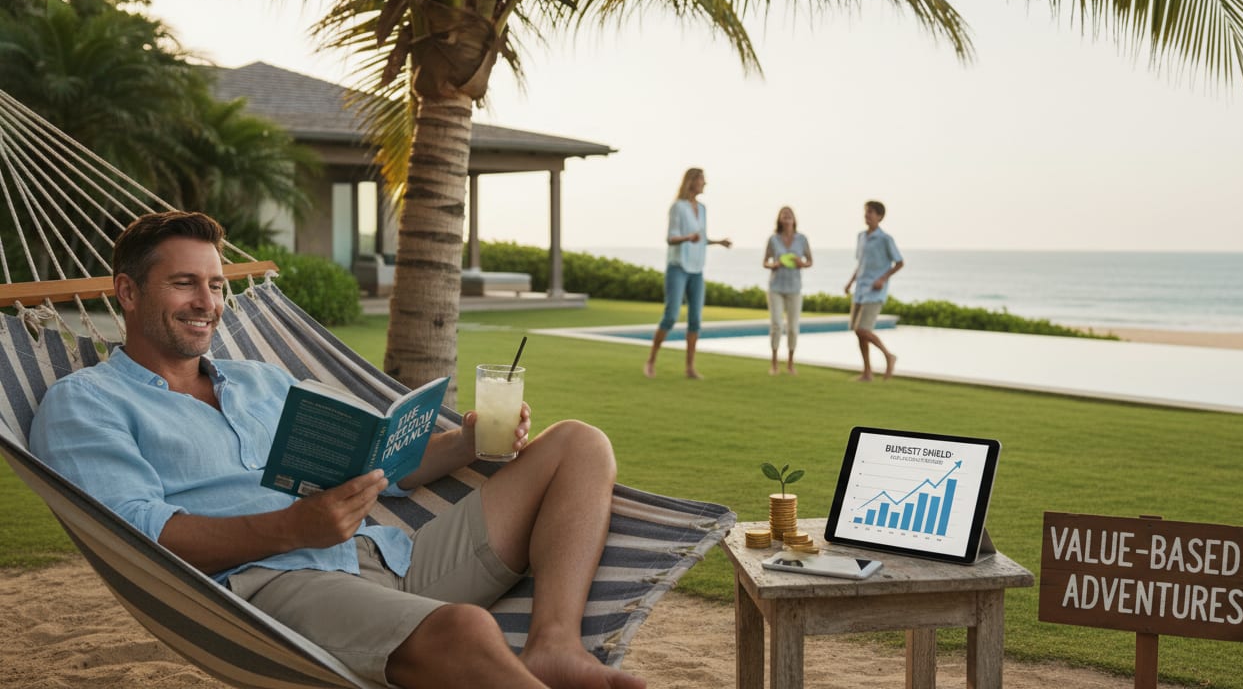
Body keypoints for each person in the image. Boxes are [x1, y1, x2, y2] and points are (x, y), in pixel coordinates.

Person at [30, 211, 644, 689]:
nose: (207, 302)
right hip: (267, 588)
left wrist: (464, 443)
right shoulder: (87, 403)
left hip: (381, 559)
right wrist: (291, 527)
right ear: (128, 293)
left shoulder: (258, 379)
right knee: (463, 630)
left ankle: (554, 644)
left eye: (217, 285)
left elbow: (375, 463)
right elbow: (140, 533)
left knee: (577, 444)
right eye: (184, 283)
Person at [643, 167, 731, 380]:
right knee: (671, 315)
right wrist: (687, 238)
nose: (705, 184)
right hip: (678, 267)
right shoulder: (677, 207)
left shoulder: (702, 209)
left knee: (695, 320)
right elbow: (671, 237)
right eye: (702, 180)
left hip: (697, 269)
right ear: (691, 182)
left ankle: (690, 368)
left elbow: (701, 237)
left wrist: (718, 242)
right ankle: (651, 360)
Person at [843, 200, 904, 381]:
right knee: (857, 331)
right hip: (860, 289)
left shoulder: (886, 239)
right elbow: (860, 264)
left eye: (870, 212)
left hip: (875, 291)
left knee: (862, 329)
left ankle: (888, 355)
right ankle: (867, 372)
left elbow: (899, 262)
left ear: (879, 216)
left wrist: (882, 278)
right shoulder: (861, 237)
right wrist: (850, 283)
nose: (867, 215)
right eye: (866, 212)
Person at [762, 206, 812, 375]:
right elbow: (765, 262)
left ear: (794, 219)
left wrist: (801, 264)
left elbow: (809, 261)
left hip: (794, 288)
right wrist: (774, 264)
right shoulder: (773, 240)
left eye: (789, 214)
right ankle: (774, 363)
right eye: (784, 215)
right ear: (780, 219)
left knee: (793, 327)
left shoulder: (802, 239)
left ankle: (790, 363)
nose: (787, 217)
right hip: (776, 287)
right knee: (776, 324)